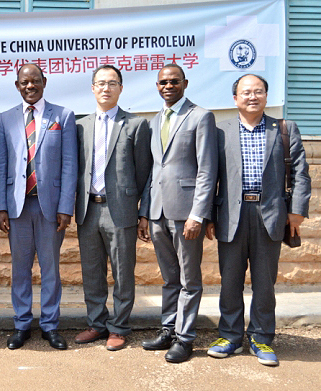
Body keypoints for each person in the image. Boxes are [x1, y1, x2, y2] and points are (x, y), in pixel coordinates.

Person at [205, 74, 310, 366]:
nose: (252, 96)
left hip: (271, 215)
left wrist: (297, 210)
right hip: (230, 215)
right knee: (230, 281)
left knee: (264, 283)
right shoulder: (220, 132)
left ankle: (261, 338)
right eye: (246, 92)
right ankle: (230, 336)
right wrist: (209, 217)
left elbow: (301, 172)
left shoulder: (285, 129)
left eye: (258, 91)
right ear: (235, 98)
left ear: (266, 96)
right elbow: (211, 178)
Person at [0, 63, 77, 350]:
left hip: (50, 208)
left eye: (35, 81)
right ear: (17, 85)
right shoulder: (6, 118)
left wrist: (66, 206)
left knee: (51, 268)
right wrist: (0, 207)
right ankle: (22, 324)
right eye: (24, 82)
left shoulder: (62, 116)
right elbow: (0, 164)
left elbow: (69, 165)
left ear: (44, 82)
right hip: (17, 207)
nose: (30, 86)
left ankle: (51, 326)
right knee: (20, 269)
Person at [138, 64, 217, 363]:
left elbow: (207, 170)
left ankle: (185, 339)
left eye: (174, 81)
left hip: (186, 214)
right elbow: (153, 171)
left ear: (185, 83)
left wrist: (198, 214)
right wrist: (145, 212)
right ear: (157, 86)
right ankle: (168, 330)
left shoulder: (201, 116)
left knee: (189, 279)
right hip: (158, 210)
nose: (168, 86)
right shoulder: (156, 119)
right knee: (169, 277)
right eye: (163, 82)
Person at [74, 65, 151, 350]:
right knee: (92, 271)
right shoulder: (80, 126)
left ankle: (118, 327)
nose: (106, 88)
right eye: (100, 83)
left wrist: (142, 212)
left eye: (112, 83)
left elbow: (144, 172)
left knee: (122, 271)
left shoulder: (136, 125)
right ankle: (96, 323)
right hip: (87, 210)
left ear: (121, 88)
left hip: (121, 209)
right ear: (92, 88)